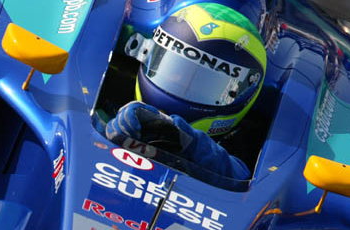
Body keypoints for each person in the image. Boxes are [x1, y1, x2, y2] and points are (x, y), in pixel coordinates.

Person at [105, 2, 267, 180]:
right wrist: (105, 129)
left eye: (206, 82)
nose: (182, 84)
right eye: (174, 70)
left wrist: (193, 145)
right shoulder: (108, 82)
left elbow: (247, 181)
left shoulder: (251, 142)